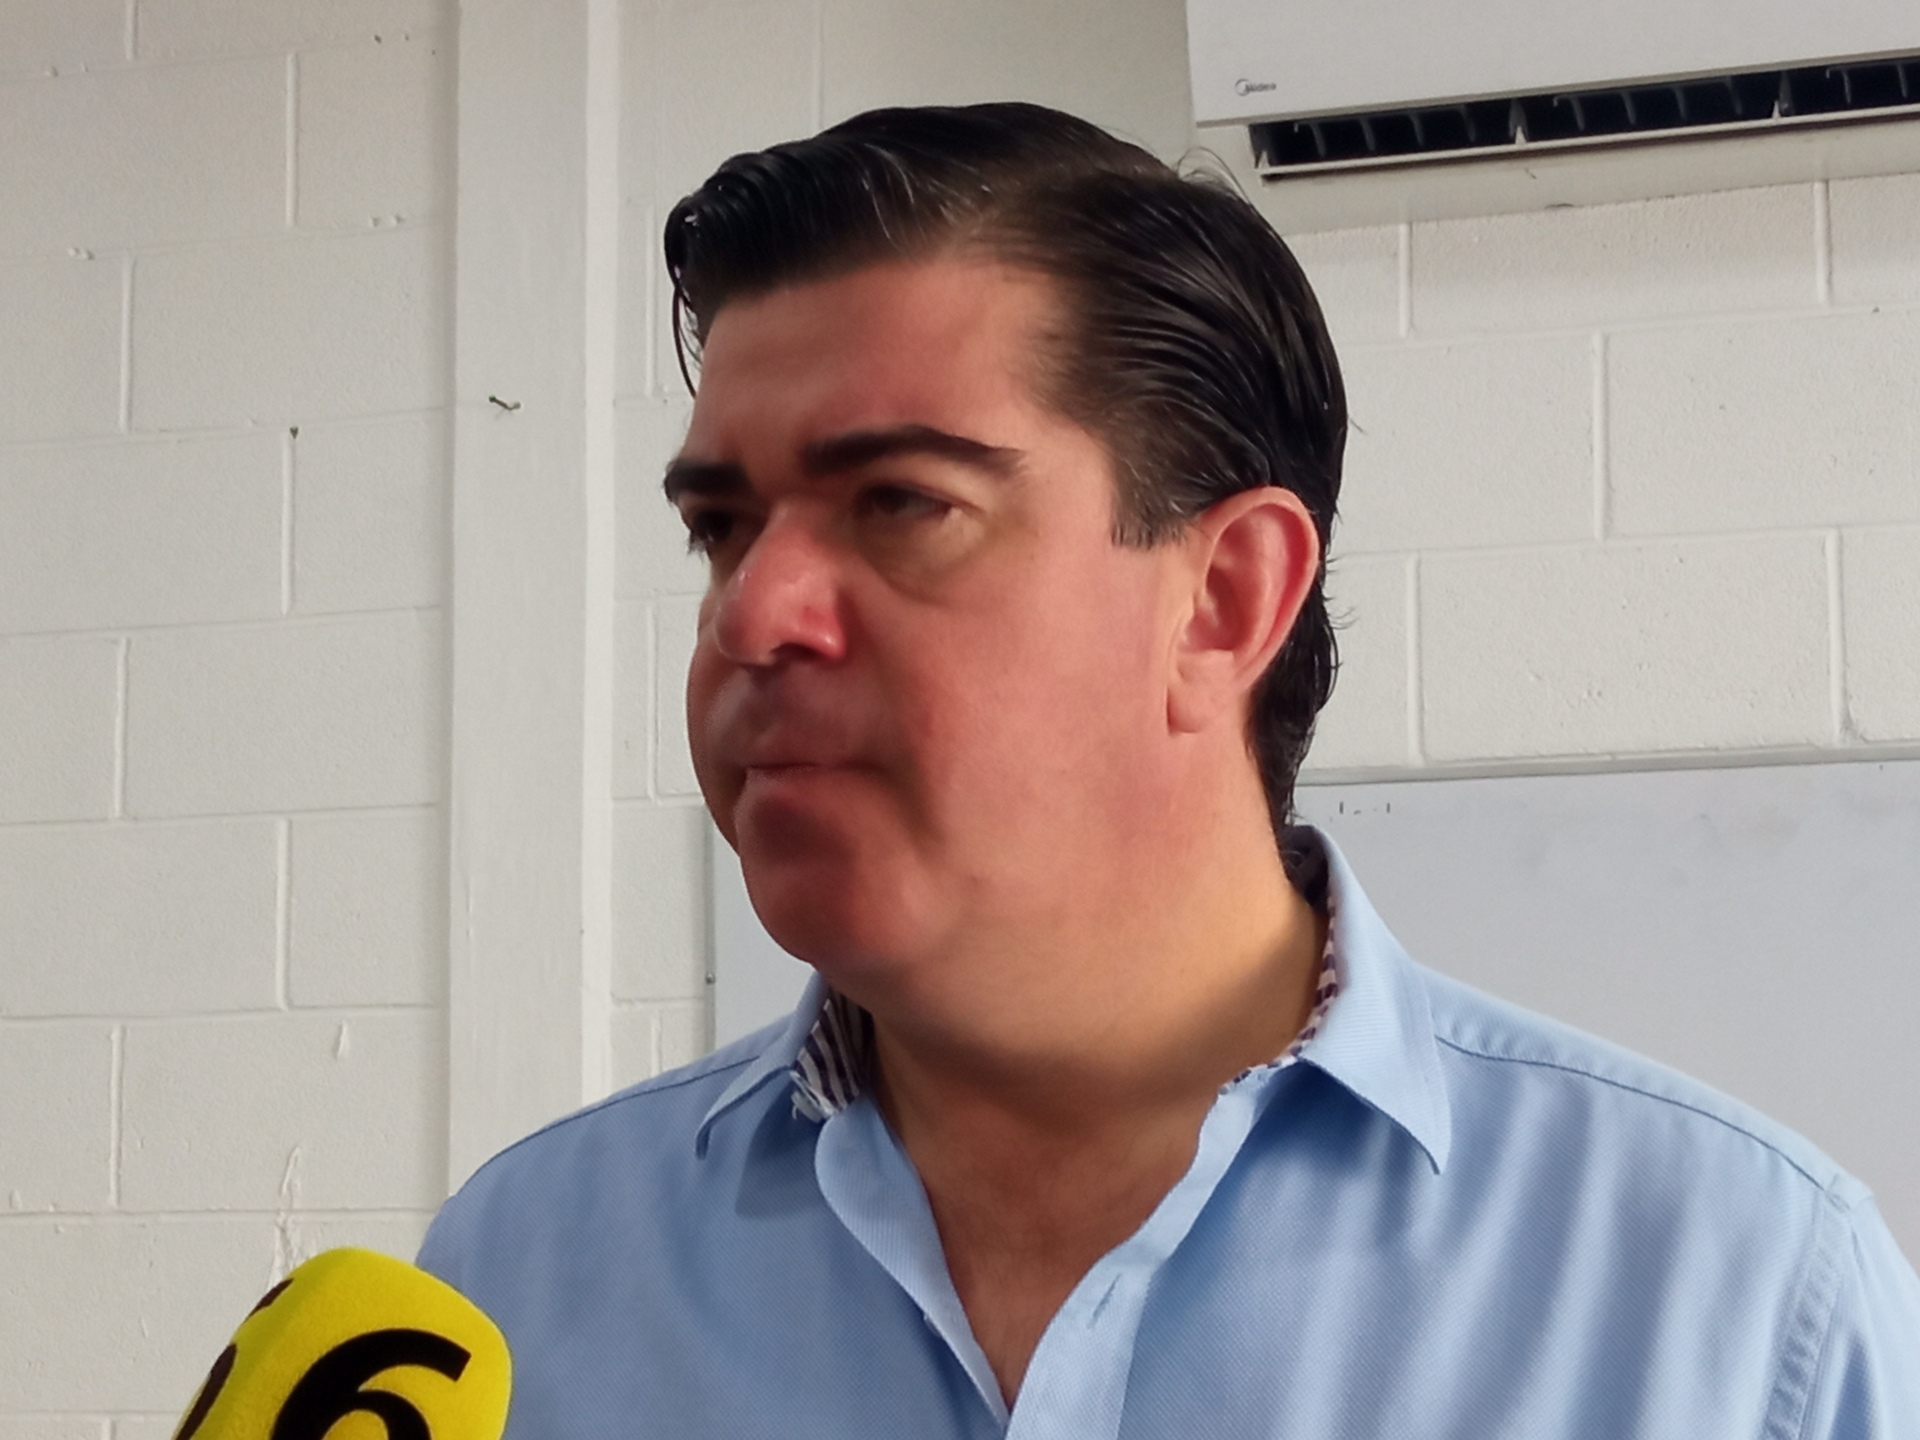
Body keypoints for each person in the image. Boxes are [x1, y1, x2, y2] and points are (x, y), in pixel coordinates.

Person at [418, 102, 1920, 1437]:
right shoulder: (517, 1286)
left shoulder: (1736, 1307)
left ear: (1224, 600)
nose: (753, 616)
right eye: (722, 528)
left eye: (898, 503)